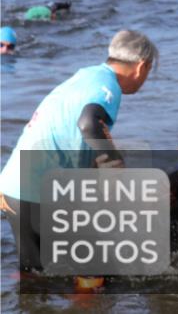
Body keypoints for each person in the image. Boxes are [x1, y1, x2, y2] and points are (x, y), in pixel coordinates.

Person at [0, 30, 158, 271]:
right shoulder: (109, 88)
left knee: (33, 275)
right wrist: (117, 169)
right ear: (142, 67)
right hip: (38, 192)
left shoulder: (87, 75)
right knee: (99, 269)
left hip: (12, 186)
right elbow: (89, 124)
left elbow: (75, 133)